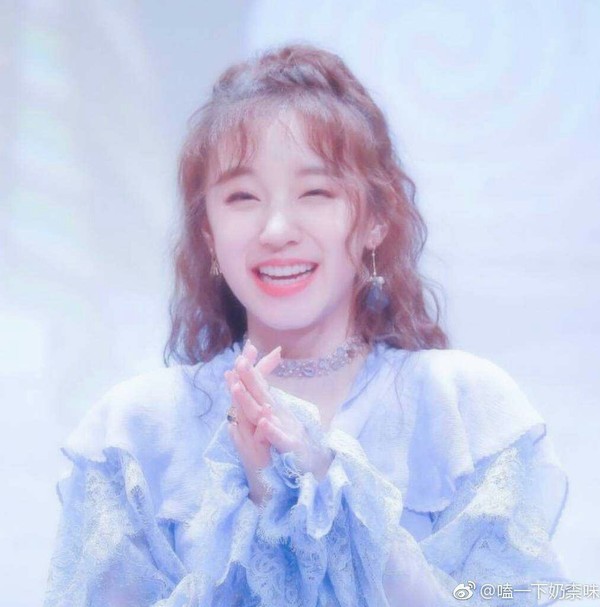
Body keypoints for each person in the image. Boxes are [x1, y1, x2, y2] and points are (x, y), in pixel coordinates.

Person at [43, 45, 569, 606]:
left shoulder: (462, 409)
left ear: (376, 219)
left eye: (316, 192)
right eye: (242, 196)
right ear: (209, 236)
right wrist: (262, 504)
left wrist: (328, 490)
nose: (276, 230)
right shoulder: (135, 431)